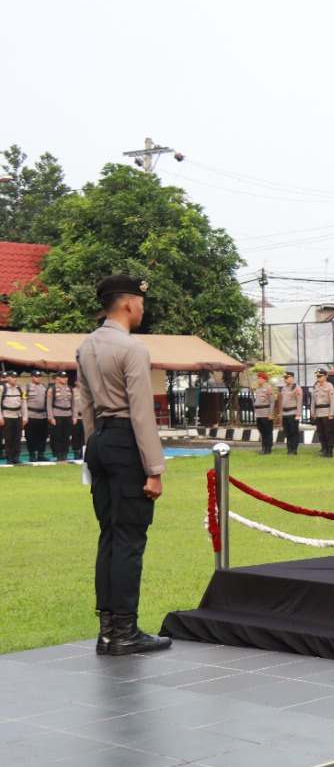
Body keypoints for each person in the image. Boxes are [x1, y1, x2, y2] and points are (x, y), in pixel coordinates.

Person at [76, 274, 170, 654]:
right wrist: (154, 469)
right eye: (141, 302)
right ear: (129, 304)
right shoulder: (132, 349)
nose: (142, 309)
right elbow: (141, 414)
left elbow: (86, 407)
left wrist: (93, 450)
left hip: (99, 440)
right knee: (130, 538)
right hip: (126, 441)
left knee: (110, 536)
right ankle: (125, 631)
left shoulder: (86, 347)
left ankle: (108, 629)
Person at [48, 372, 78, 461]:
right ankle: (58, 454)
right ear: (57, 378)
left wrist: (74, 416)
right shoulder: (52, 389)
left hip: (68, 414)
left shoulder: (70, 388)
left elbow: (73, 404)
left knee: (66, 436)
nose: (65, 379)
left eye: (66, 377)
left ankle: (65, 453)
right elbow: (49, 404)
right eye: (63, 377)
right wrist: (51, 417)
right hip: (57, 414)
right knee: (58, 436)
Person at [311, 369, 334, 457]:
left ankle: (330, 451)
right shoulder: (316, 386)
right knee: (321, 433)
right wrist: (312, 411)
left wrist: (331, 413)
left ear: (325, 376)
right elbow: (313, 400)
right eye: (317, 376)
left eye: (320, 376)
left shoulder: (329, 386)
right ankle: (324, 449)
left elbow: (333, 401)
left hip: (327, 412)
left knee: (328, 432)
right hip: (318, 412)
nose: (318, 378)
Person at [24, 371, 49, 462]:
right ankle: (32, 454)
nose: (38, 378)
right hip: (31, 415)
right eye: (36, 376)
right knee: (30, 436)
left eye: (39, 376)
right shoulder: (26, 387)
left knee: (43, 436)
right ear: (32, 377)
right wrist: (25, 416)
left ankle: (41, 454)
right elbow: (23, 402)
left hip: (43, 415)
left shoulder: (44, 387)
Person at [252, 371, 278, 455]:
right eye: (258, 378)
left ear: (264, 379)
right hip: (259, 414)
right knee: (262, 431)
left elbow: (272, 402)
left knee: (267, 431)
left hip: (266, 413)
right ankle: (263, 447)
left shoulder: (268, 388)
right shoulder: (258, 389)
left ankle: (268, 448)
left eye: (260, 378)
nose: (258, 380)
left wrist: (270, 414)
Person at [0, 370, 23, 464]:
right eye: (12, 377)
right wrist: (0, 417)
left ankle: (16, 457)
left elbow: (23, 403)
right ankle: (9, 458)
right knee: (9, 438)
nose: (14, 379)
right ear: (8, 378)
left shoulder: (19, 388)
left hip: (18, 415)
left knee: (17, 438)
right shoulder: (2, 388)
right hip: (7, 415)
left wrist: (24, 417)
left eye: (15, 377)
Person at [279, 372, 303, 456]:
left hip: (293, 413)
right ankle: (289, 449)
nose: (285, 379)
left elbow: (299, 402)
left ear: (292, 378)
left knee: (293, 432)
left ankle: (294, 449)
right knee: (287, 432)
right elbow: (282, 402)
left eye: (287, 377)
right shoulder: (283, 388)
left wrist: (298, 414)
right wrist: (281, 413)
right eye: (284, 378)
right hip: (285, 413)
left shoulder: (297, 388)